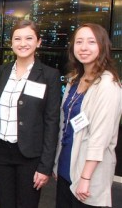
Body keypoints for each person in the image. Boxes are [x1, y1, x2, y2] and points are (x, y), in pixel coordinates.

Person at [0, 19, 61, 208]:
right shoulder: (1, 72)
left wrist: (45, 166)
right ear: (11, 42)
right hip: (1, 154)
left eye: (29, 38)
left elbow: (51, 122)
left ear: (38, 42)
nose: (23, 43)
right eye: (17, 38)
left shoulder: (49, 75)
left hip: (30, 156)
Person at [53, 23, 122, 208]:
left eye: (91, 42)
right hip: (67, 166)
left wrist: (85, 177)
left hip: (89, 173)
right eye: (79, 42)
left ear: (102, 46)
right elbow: (64, 125)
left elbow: (100, 137)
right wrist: (57, 164)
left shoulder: (108, 85)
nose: (83, 47)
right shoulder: (74, 79)